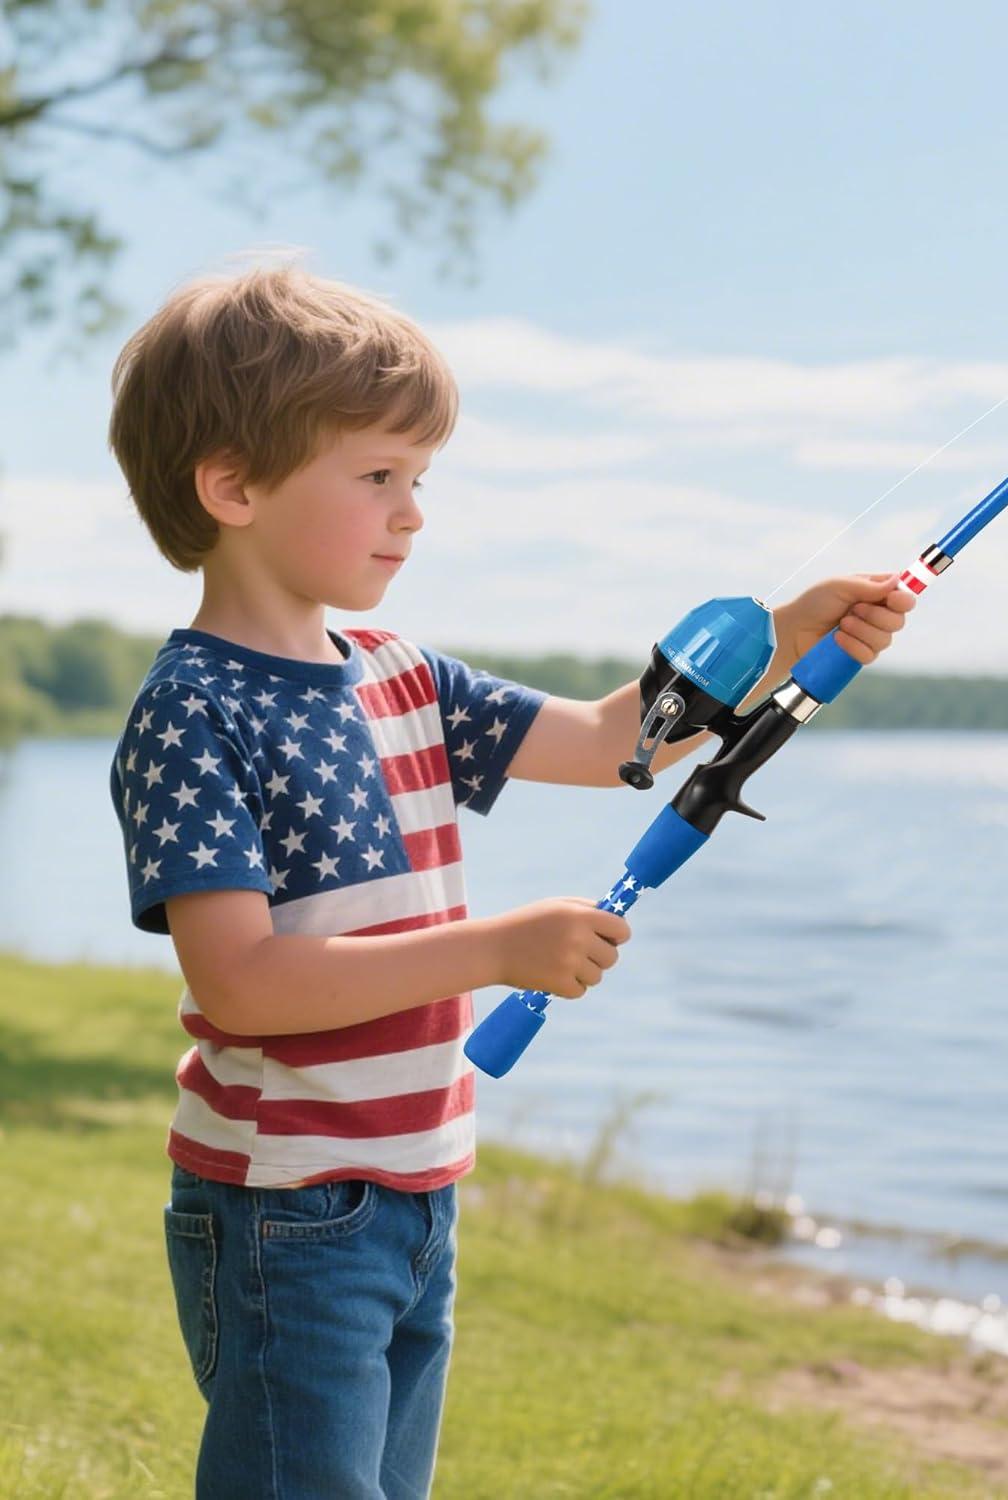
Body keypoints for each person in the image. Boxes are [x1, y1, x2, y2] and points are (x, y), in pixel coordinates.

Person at [105, 255, 914, 1499]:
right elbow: (247, 985)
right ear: (234, 486)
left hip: (422, 1188)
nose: (413, 513)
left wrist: (788, 633)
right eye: (377, 477)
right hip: (286, 1209)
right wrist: (494, 949)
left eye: (418, 479)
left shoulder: (397, 668)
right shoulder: (194, 712)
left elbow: (609, 741)